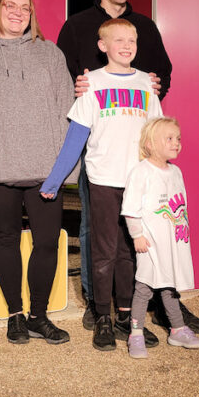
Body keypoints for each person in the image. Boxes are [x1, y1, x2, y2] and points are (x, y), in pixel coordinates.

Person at [56, 0, 199, 340]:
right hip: (104, 159)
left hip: (138, 162)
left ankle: (145, 304)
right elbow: (65, 78)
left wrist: (152, 86)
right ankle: (97, 305)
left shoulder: (146, 27)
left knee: (142, 237)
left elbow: (162, 75)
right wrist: (77, 87)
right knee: (98, 234)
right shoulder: (76, 26)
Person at [41, 18, 162, 351]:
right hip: (104, 181)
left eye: (131, 41)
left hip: (137, 183)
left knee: (129, 252)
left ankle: (126, 316)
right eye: (118, 40)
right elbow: (76, 137)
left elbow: (155, 138)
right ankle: (103, 317)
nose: (126, 46)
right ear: (103, 45)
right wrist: (55, 179)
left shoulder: (146, 85)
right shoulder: (91, 83)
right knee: (104, 251)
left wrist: (162, 177)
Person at [0, 0, 74, 345]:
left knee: (47, 242)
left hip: (46, 169)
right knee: (8, 239)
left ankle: (38, 316)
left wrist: (63, 171)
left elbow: (68, 111)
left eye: (25, 8)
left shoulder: (50, 54)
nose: (18, 12)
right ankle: (15, 314)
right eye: (10, 5)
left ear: (32, 14)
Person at [121, 117, 199, 358]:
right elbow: (130, 208)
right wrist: (137, 236)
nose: (176, 143)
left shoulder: (176, 172)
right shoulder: (141, 172)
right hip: (150, 244)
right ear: (149, 144)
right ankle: (135, 334)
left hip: (173, 244)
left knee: (170, 286)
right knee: (144, 287)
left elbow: (180, 207)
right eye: (169, 138)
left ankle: (177, 329)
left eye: (178, 139)